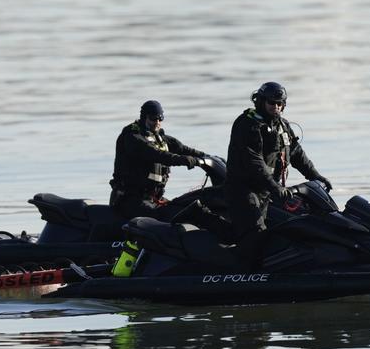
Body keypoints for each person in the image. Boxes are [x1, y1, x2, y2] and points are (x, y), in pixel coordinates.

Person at [225, 82, 333, 267]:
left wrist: (315, 176)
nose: (275, 107)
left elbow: (297, 153)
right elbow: (254, 162)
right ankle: (247, 274)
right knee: (254, 233)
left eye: (279, 103)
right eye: (271, 103)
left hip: (266, 191)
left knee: (269, 230)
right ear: (261, 101)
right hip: (244, 189)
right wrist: (275, 187)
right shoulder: (247, 124)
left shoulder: (282, 125)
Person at [110, 100, 230, 238]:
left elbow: (182, 148)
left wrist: (206, 157)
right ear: (144, 117)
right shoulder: (132, 137)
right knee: (164, 219)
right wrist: (188, 161)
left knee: (182, 209)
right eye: (153, 119)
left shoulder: (158, 137)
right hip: (130, 200)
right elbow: (157, 155)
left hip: (153, 198)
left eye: (160, 119)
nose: (157, 122)